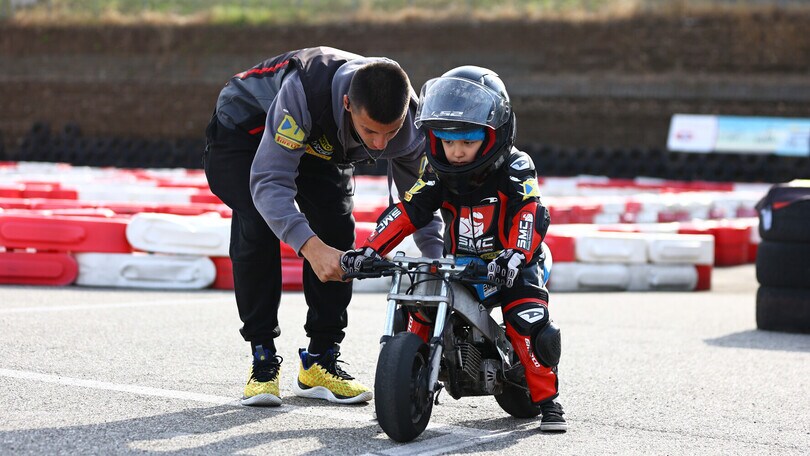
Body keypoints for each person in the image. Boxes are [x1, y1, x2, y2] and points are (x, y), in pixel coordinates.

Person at [204, 46, 443, 407]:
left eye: (389, 133)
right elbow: (269, 182)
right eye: (371, 131)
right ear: (348, 104)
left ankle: (320, 360)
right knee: (259, 220)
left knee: (337, 230)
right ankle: (263, 359)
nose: (379, 146)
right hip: (245, 130)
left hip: (321, 142)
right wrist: (310, 247)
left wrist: (439, 261)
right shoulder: (305, 91)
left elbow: (419, 199)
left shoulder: (409, 124)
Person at [341, 66, 567, 431]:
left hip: (515, 263)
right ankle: (403, 388)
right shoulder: (436, 168)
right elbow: (409, 208)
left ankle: (549, 402)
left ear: (493, 135)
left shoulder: (516, 165)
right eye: (448, 141)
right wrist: (370, 250)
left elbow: (530, 212)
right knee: (418, 302)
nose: (457, 152)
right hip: (461, 264)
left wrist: (515, 255)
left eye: (467, 141)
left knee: (527, 322)